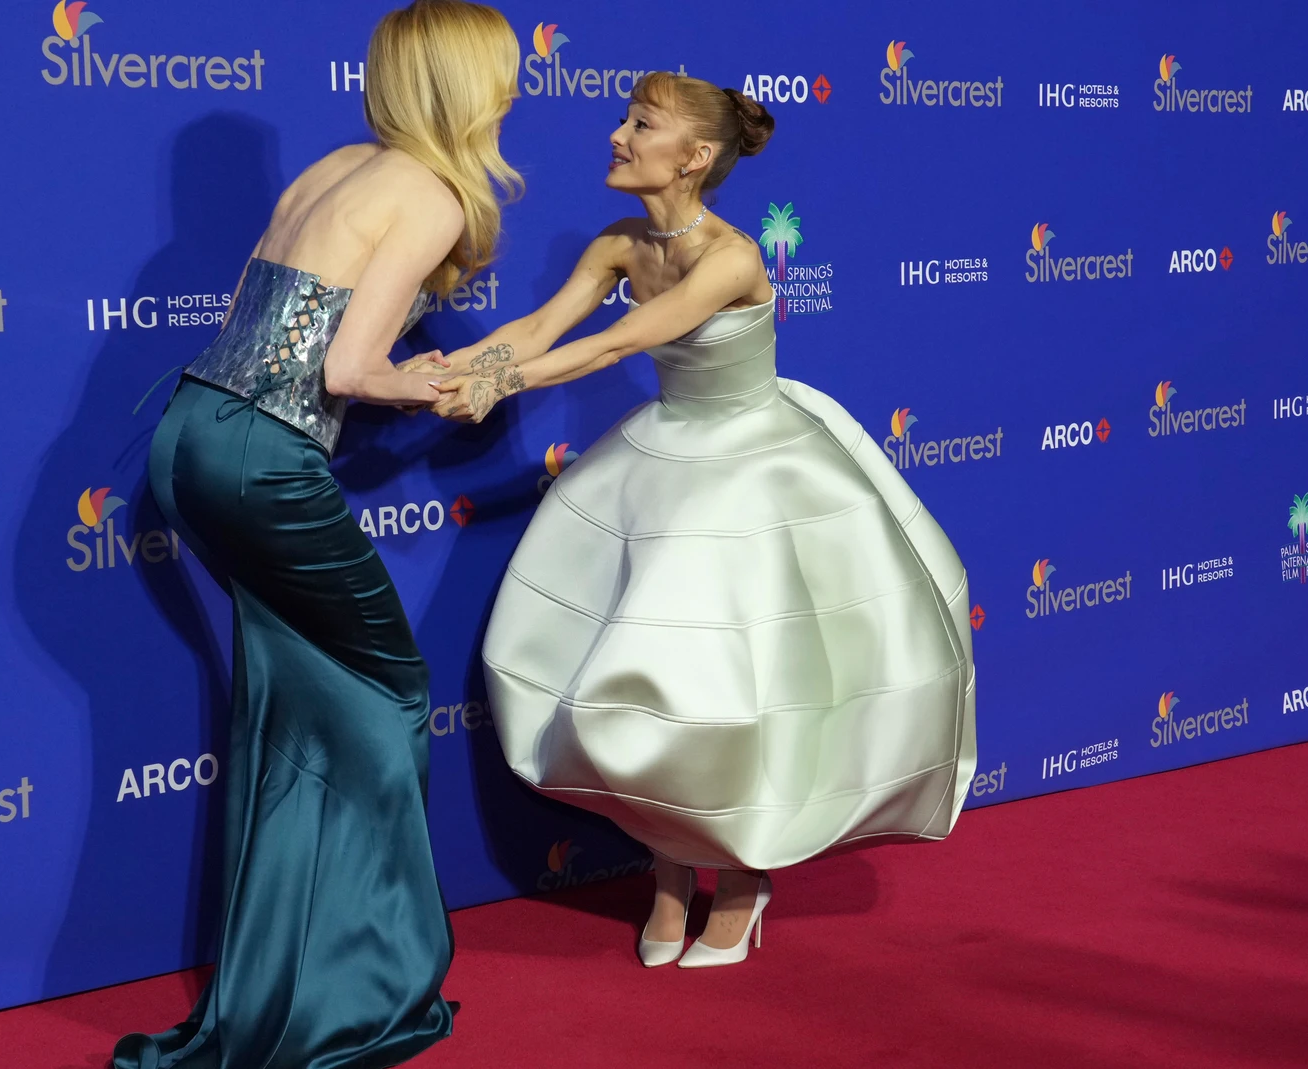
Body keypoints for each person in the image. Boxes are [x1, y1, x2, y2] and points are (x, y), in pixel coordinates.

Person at [428, 72, 977, 969]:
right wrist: (460, 365)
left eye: (639, 124)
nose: (616, 134)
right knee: (653, 685)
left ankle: (747, 874)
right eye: (623, 117)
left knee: (738, 692)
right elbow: (541, 325)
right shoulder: (618, 240)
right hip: (660, 461)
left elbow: (616, 343)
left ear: (695, 156)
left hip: (754, 472)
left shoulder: (731, 255)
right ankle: (674, 870)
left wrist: (495, 385)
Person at [114, 2, 519, 1064]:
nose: (517, 88)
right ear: (468, 86)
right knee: (385, 693)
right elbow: (344, 372)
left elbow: (274, 332)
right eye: (506, 72)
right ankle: (359, 984)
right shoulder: (427, 193)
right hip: (261, 457)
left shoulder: (334, 166)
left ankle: (286, 989)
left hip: (190, 435)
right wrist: (428, 383)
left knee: (296, 700)